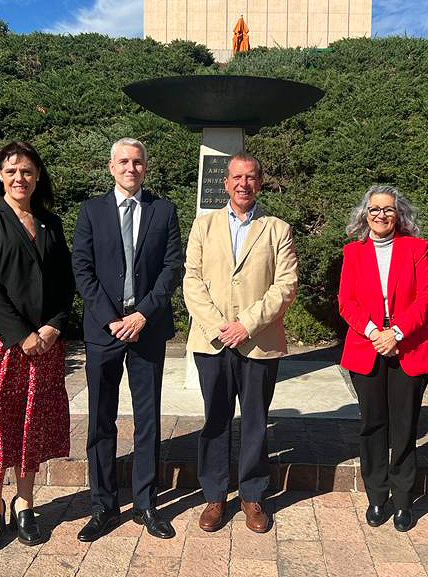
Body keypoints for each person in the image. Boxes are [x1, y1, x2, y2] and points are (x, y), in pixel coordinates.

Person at [0, 140, 74, 552]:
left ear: (37, 175)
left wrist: (52, 328)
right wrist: (20, 333)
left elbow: (65, 284)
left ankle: (25, 501)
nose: (19, 178)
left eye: (26, 171)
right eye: (11, 171)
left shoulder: (51, 223)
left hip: (44, 343)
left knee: (31, 421)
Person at [72, 138, 183, 541]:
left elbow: (172, 268)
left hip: (147, 328)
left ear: (145, 167)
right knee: (101, 419)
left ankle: (145, 503)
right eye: (123, 162)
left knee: (147, 419)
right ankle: (102, 505)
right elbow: (82, 270)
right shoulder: (92, 211)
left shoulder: (163, 210)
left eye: (137, 162)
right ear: (111, 167)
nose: (130, 168)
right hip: (104, 331)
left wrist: (141, 315)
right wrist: (112, 319)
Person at [182, 153, 297, 534]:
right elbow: (192, 280)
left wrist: (245, 325)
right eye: (236, 177)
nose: (243, 183)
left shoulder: (277, 228)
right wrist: (220, 326)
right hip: (212, 341)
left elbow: (285, 285)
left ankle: (252, 495)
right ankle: (214, 496)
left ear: (259, 183)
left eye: (250, 177)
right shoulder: (204, 225)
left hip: (258, 342)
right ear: (226, 183)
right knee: (215, 419)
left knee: (254, 421)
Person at [337, 185, 428, 532]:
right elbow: (346, 302)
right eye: (374, 209)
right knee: (372, 426)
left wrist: (395, 334)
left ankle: (403, 500)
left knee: (405, 427)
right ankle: (377, 497)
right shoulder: (353, 252)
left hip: (407, 346)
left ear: (400, 215)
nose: (381, 215)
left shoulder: (416, 249)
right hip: (367, 345)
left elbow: (427, 298)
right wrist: (374, 334)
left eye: (388, 210)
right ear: (365, 214)